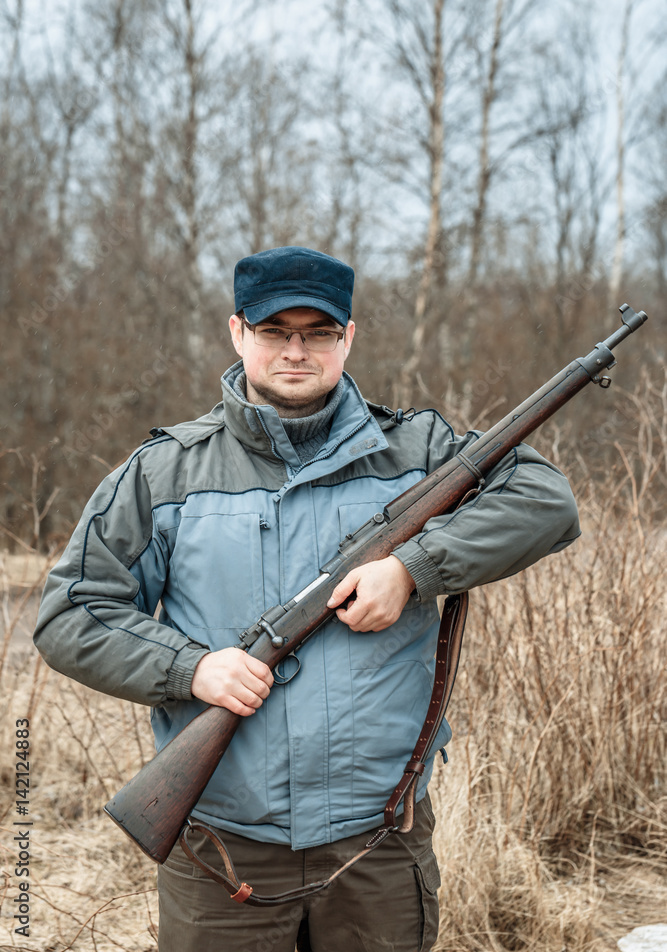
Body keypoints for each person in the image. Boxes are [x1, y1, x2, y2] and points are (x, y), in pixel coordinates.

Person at [34, 245, 580, 952]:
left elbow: (544, 500)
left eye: (318, 333)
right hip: (222, 847)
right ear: (238, 333)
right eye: (274, 331)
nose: (296, 351)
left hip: (378, 841)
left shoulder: (417, 452)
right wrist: (192, 669)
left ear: (347, 338)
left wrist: (411, 567)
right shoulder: (164, 473)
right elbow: (72, 612)